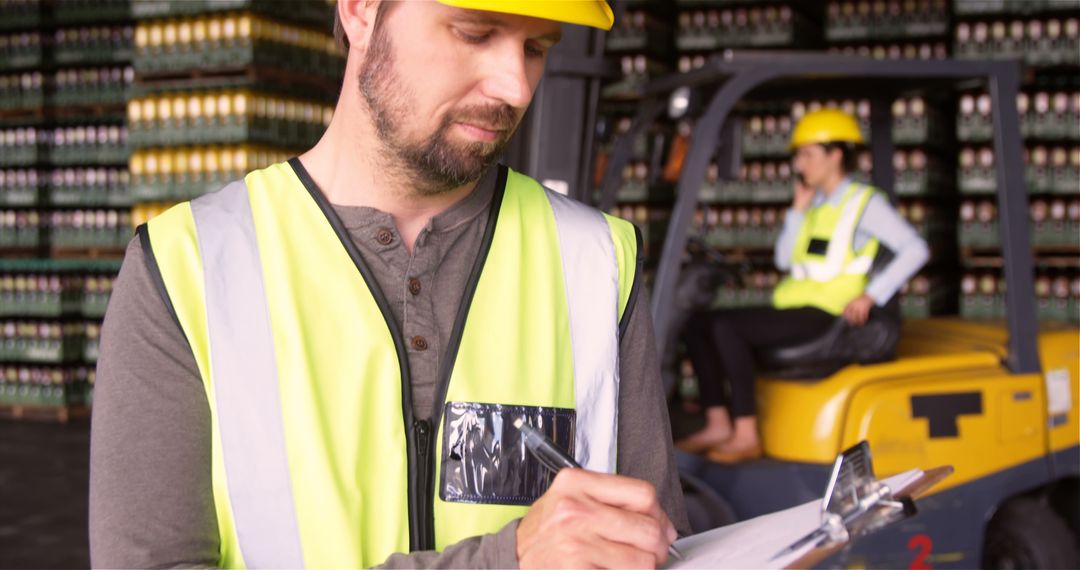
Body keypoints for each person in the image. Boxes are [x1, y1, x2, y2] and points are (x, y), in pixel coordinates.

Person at [88, 1, 689, 568]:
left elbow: (658, 544)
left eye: (535, 47)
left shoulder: (595, 261)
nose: (516, 87)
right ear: (361, 10)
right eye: (474, 34)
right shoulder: (186, 268)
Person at [679, 108, 930, 463]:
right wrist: (797, 211)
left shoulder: (863, 203)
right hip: (796, 308)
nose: (799, 164)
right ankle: (718, 420)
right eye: (798, 155)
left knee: (726, 327)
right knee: (697, 323)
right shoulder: (815, 205)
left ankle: (746, 432)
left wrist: (872, 294)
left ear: (835, 155)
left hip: (828, 313)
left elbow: (916, 249)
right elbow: (784, 260)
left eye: (807, 154)